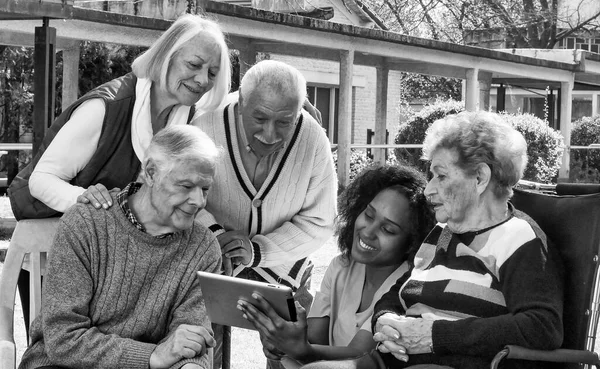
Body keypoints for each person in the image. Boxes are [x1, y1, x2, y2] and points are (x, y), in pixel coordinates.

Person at [8, 13, 231, 330]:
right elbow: (39, 181)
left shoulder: (185, 116)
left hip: (115, 267)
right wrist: (86, 198)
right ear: (166, 56)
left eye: (212, 72)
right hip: (55, 253)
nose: (202, 80)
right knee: (62, 345)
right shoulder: (104, 108)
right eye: (194, 65)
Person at [367, 111, 564, 369]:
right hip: (393, 361)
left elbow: (542, 326)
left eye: (441, 175)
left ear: (480, 178)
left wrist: (436, 336)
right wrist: (385, 321)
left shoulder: (519, 239)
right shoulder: (441, 233)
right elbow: (398, 295)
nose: (428, 189)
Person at [18, 125, 222, 369]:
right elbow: (63, 339)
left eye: (205, 189)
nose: (199, 201)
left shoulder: (204, 248)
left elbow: (190, 342)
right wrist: (151, 356)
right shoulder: (85, 223)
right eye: (186, 186)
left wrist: (190, 364)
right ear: (151, 172)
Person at [192, 60, 338, 368]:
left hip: (285, 268)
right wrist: (216, 237)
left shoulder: (313, 139)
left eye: (284, 122)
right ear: (241, 101)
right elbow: (181, 193)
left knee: (293, 356)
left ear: (300, 111)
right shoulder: (204, 123)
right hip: (212, 261)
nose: (270, 134)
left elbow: (321, 220)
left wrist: (258, 251)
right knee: (202, 348)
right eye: (259, 117)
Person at [237, 164, 435, 367]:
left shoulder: (408, 288)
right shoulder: (342, 265)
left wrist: (302, 350)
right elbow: (314, 339)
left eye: (388, 229)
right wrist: (283, 341)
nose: (368, 232)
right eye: (368, 214)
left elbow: (360, 355)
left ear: (412, 243)